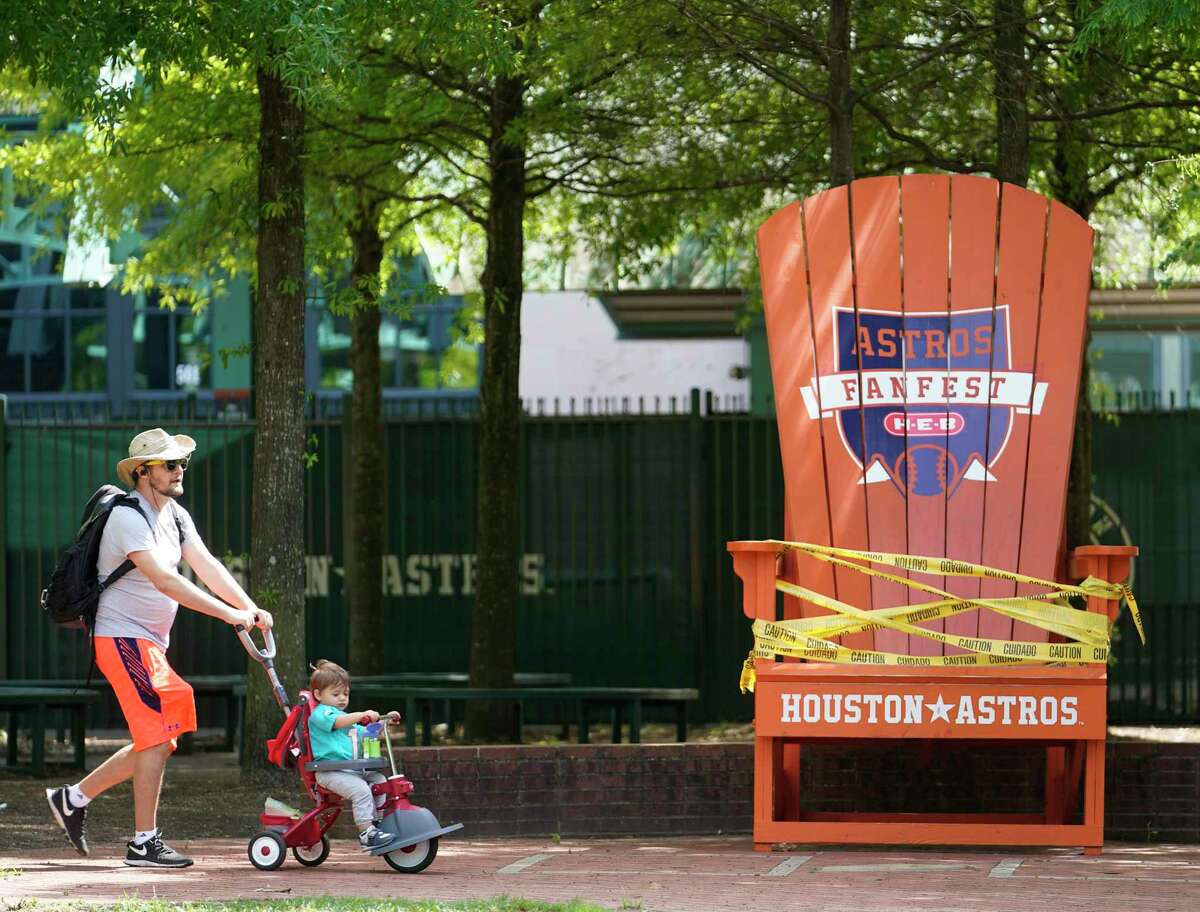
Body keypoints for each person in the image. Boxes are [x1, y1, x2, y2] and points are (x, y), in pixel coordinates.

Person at [45, 428, 273, 869]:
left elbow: (206, 565)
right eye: (170, 464)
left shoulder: (176, 515)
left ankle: (73, 799)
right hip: (120, 637)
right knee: (156, 732)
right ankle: (143, 843)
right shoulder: (128, 517)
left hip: (147, 642)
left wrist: (250, 606)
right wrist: (230, 616)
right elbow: (167, 580)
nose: (179, 470)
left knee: (161, 736)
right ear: (144, 472)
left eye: (182, 463)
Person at [307, 659, 402, 851]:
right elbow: (338, 722)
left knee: (379, 781)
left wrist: (384, 721)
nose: (342, 698)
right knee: (361, 790)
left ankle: (378, 824)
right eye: (336, 694)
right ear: (318, 694)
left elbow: (366, 732)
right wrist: (361, 714)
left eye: (345, 694)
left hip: (351, 770)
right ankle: (367, 833)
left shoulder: (346, 720)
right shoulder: (320, 714)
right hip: (330, 773)